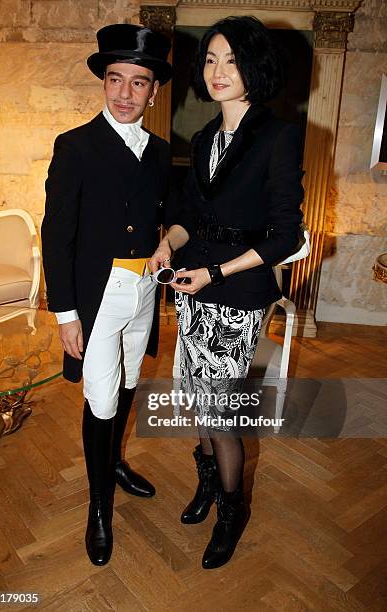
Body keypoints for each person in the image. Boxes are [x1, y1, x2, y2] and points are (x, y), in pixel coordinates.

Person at [150, 16, 304, 569]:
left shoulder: (280, 136)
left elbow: (286, 236)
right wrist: (169, 242)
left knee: (221, 411)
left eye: (232, 60)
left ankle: (232, 510)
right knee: (194, 396)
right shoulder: (205, 137)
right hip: (191, 284)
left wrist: (217, 275)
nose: (218, 71)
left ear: (254, 67)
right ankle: (210, 484)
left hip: (236, 294)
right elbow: (191, 215)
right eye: (211, 59)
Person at [41, 24, 172, 566]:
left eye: (138, 83)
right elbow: (56, 234)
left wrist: (166, 242)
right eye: (115, 80)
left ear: (154, 91)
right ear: (102, 82)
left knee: (129, 380)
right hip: (97, 297)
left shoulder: (163, 152)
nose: (124, 94)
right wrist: (65, 314)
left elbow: (162, 218)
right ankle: (98, 508)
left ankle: (114, 461)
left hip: (144, 290)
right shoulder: (74, 146)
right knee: (100, 396)